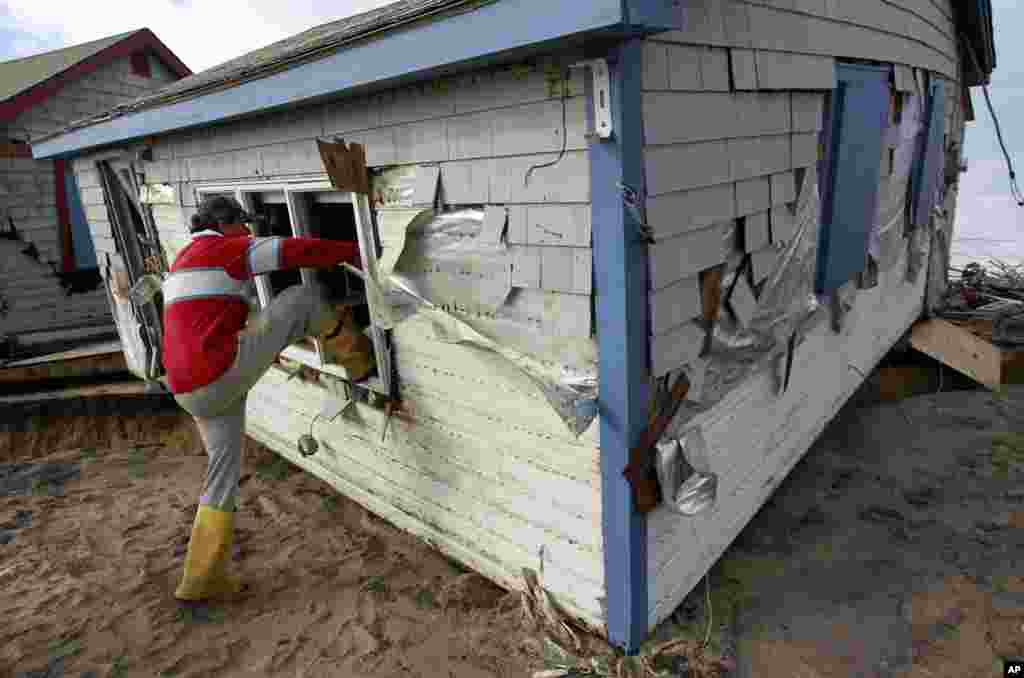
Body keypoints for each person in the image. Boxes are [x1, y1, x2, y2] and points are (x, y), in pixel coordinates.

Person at [163, 194, 361, 602]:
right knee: (302, 298)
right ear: (229, 224)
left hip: (186, 389)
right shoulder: (228, 249)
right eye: (245, 224)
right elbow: (296, 250)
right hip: (215, 375)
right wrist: (359, 250)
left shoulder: (182, 259)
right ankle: (358, 360)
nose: (250, 232)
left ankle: (201, 580)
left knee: (221, 476)